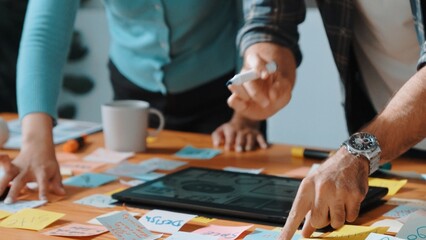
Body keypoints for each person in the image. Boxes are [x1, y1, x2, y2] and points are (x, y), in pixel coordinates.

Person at [0, 0, 279, 204]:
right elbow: (45, 32)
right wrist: (35, 141)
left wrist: (246, 116)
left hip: (224, 92)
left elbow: (258, 17)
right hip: (132, 89)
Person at [227, 0, 426, 239]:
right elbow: (271, 21)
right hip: (388, 150)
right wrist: (263, 60)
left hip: (373, 146)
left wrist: (358, 152)